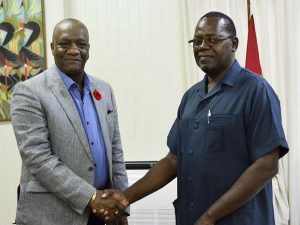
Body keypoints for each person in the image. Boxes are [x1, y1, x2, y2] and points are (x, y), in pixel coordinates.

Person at [100, 11, 289, 225]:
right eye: (197, 41)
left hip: (239, 219)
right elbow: (173, 160)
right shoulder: (191, 97)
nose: (202, 46)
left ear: (234, 43)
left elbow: (266, 165)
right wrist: (126, 197)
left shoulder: (256, 90)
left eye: (213, 40)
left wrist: (210, 218)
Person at [10, 18, 128, 225]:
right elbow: (38, 158)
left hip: (104, 213)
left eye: (81, 45)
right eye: (65, 44)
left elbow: (115, 152)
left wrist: (123, 207)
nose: (74, 50)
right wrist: (90, 197)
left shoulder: (104, 90)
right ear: (52, 47)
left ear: (88, 49)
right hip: (52, 216)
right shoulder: (29, 92)